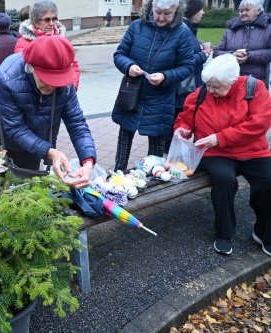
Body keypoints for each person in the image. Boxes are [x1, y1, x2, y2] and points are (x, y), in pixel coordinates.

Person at [174, 54, 271, 256]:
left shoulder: (255, 88)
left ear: (233, 81)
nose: (210, 90)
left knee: (268, 181)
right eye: (208, 85)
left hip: (252, 148)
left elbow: (259, 124)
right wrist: (182, 129)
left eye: (216, 87)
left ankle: (264, 233)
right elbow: (185, 119)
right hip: (214, 152)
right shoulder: (201, 94)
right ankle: (224, 233)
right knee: (224, 179)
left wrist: (220, 137)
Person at [0, 35, 96, 189]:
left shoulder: (66, 86)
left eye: (57, 82)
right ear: (30, 67)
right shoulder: (7, 77)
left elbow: (77, 123)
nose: (52, 87)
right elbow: (15, 128)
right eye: (46, 80)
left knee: (28, 184)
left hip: (33, 135)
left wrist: (88, 161)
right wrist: (49, 151)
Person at [112, 0, 194, 172]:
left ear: (177, 9)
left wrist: (165, 76)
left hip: (161, 97)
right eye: (158, 12)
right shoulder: (136, 26)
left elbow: (187, 66)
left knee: (157, 142)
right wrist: (128, 66)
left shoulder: (182, 32)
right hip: (132, 91)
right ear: (151, 6)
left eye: (167, 14)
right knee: (125, 135)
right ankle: (118, 172)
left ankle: (152, 177)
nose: (161, 18)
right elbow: (120, 54)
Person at [165, 0, 210, 153]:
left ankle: (173, 154)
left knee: (176, 123)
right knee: (177, 122)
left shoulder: (188, 28)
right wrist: (203, 55)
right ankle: (172, 157)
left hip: (184, 86)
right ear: (193, 11)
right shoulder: (184, 30)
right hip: (183, 88)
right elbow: (185, 61)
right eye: (201, 10)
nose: (203, 13)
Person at [15, 0, 81, 91]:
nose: (51, 23)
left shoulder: (62, 40)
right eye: (47, 20)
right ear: (36, 22)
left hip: (60, 95)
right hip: (37, 96)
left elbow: (73, 64)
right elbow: (21, 73)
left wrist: (71, 89)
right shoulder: (23, 43)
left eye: (54, 19)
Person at [213, 0, 271, 90]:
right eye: (241, 11)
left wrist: (249, 56)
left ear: (258, 10)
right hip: (231, 82)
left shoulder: (268, 28)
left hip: (257, 83)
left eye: (247, 10)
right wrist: (231, 55)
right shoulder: (231, 29)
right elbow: (216, 52)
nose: (243, 13)